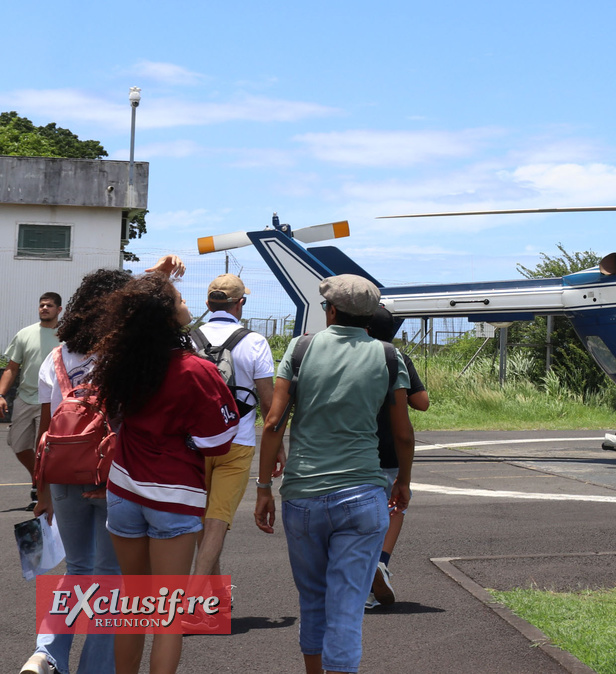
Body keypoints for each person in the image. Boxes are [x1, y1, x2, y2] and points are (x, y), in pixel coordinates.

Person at [254, 275, 414, 674]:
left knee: (313, 600)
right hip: (363, 495)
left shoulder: (302, 347)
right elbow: (403, 432)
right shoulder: (388, 356)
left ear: (331, 310)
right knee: (346, 608)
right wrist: (403, 481)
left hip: (303, 493)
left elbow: (274, 422)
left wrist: (262, 488)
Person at [94, 271, 238, 674]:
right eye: (178, 299)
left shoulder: (119, 361)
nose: (186, 303)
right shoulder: (195, 370)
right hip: (174, 497)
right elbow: (219, 441)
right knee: (167, 615)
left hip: (122, 489)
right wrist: (188, 440)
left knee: (133, 604)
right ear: (166, 316)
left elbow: (115, 418)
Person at [22, 271, 130, 674]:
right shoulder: (122, 354)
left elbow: (47, 427)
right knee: (108, 574)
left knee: (78, 567)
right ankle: (94, 669)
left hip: (62, 472)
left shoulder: (57, 357)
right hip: (110, 473)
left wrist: (43, 489)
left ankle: (46, 653)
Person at [187, 274, 278, 628]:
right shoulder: (254, 342)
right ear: (240, 304)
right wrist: (278, 443)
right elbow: (270, 402)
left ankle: (216, 601)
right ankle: (193, 600)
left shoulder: (187, 339)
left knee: (204, 522)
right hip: (236, 442)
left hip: (193, 443)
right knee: (218, 520)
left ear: (209, 304)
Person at [366, 306, 429, 608]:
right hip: (390, 447)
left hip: (357, 449)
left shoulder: (353, 355)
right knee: (394, 507)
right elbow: (422, 402)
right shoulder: (396, 357)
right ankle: (381, 562)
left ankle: (358, 577)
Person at [1, 292, 62, 510]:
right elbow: (12, 368)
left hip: (54, 401)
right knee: (18, 444)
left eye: (49, 305)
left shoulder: (66, 336)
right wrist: (0, 394)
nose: (44, 308)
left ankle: (42, 491)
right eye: (41, 305)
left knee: (43, 447)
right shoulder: (24, 334)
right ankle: (37, 478)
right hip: (25, 398)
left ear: (59, 310)